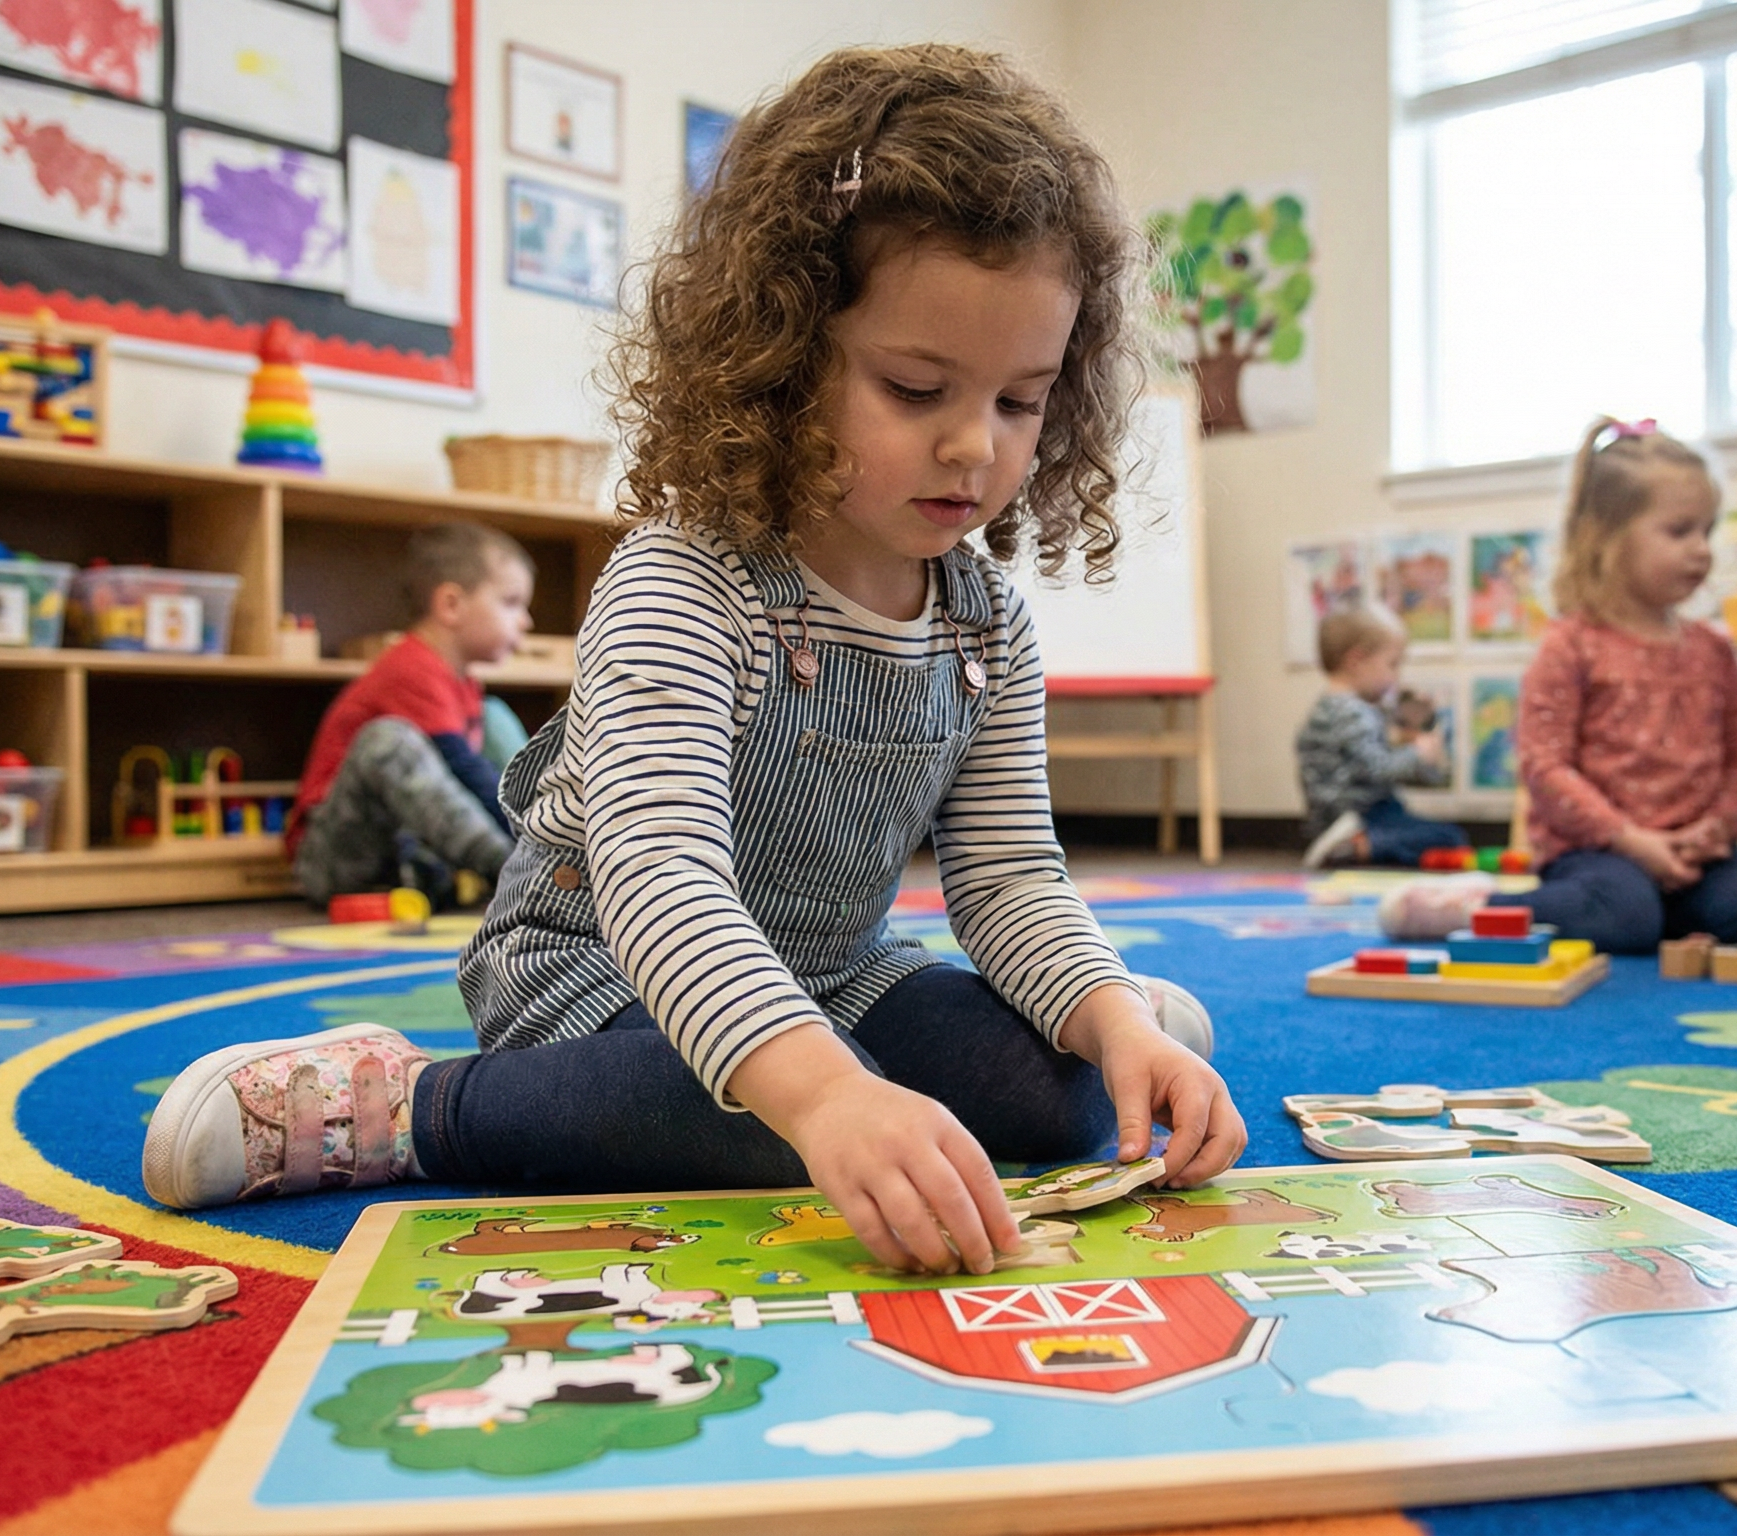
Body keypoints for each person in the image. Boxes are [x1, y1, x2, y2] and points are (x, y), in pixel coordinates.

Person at [143, 44, 1243, 1278]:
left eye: (1021, 401)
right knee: (770, 1131)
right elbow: (659, 875)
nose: (973, 449)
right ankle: (396, 1102)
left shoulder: (985, 619)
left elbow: (1004, 878)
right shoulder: (688, 577)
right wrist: (823, 1096)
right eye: (916, 386)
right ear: (780, 360)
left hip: (836, 976)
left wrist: (1102, 1020)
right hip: (595, 973)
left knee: (1064, 1100)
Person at [1491, 418, 1737, 956]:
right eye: (1680, 531)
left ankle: (1661, 912)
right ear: (1607, 538)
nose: (1702, 549)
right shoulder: (1571, 645)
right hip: (1598, 851)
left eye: (1708, 530)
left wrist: (1716, 831)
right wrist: (1631, 840)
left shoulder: (1714, 650)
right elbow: (1544, 767)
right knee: (1625, 915)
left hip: (1695, 853)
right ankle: (1488, 910)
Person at [285, 522, 530, 906]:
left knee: (493, 718)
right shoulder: (412, 667)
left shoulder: (466, 685)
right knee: (387, 741)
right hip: (334, 860)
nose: (525, 621)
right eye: (511, 603)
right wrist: (523, 849)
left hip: (405, 852)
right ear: (451, 604)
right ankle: (521, 870)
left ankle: (531, 856)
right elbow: (465, 770)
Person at [1295, 603, 1465, 868]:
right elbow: (1379, 769)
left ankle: (1357, 847)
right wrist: (1417, 753)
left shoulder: (1330, 708)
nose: (1396, 676)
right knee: (1450, 838)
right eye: (1392, 665)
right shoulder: (1352, 713)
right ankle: (1358, 846)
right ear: (1356, 660)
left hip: (1331, 820)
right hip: (1361, 818)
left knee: (1435, 837)